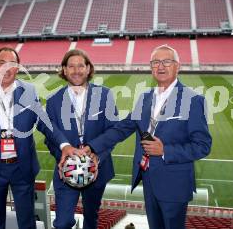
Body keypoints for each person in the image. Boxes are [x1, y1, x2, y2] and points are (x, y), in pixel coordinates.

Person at [81, 45, 212, 229]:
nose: (161, 66)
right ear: (151, 67)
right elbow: (122, 128)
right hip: (148, 179)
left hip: (174, 184)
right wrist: (92, 146)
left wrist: (165, 150)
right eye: (155, 62)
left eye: (167, 61)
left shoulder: (193, 100)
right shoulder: (145, 98)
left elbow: (203, 145)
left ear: (177, 66)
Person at [0, 47, 69, 229]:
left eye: (11, 64)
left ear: (18, 68)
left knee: (27, 221)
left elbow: (44, 122)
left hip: (22, 167)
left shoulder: (29, 91)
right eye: (1, 63)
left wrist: (64, 144)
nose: (6, 68)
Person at [45, 49, 118, 229]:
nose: (76, 70)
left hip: (97, 169)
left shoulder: (105, 95)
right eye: (71, 66)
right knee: (62, 223)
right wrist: (63, 155)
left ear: (88, 69)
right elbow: (49, 136)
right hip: (66, 171)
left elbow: (113, 132)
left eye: (80, 66)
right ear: (64, 69)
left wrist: (97, 155)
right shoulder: (53, 101)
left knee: (91, 217)